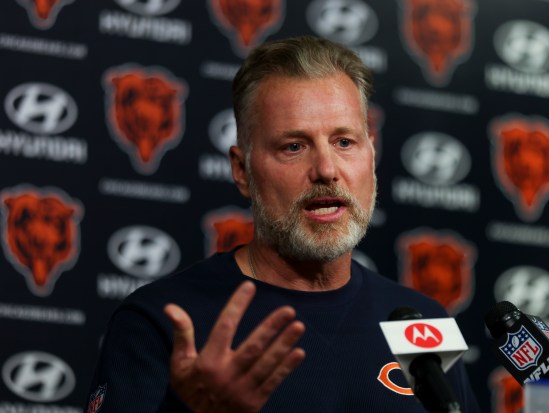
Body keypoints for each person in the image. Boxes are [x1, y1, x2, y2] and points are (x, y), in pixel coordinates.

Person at [85, 36, 480, 413]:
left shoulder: (424, 323)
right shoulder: (162, 321)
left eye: (344, 142)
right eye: (294, 146)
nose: (327, 170)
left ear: (371, 156)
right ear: (242, 170)